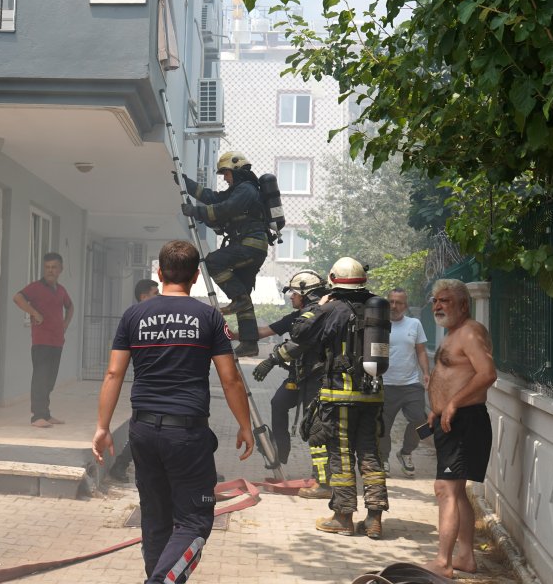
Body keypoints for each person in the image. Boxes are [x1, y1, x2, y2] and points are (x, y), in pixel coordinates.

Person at [93, 240, 254, 584]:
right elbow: (230, 379)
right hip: (186, 436)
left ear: (159, 272)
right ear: (196, 276)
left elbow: (113, 374)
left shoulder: (133, 315)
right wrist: (245, 425)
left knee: (156, 519)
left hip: (143, 432)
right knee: (195, 521)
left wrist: (103, 426)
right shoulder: (208, 316)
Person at [251, 257, 389, 538]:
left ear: (334, 280)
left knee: (340, 456)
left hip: (339, 395)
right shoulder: (376, 306)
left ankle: (343, 517)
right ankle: (375, 518)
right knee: (370, 455)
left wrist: (322, 306)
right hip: (372, 394)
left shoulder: (333, 308)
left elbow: (301, 332)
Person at [423, 279, 496, 578]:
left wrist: (452, 404)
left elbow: (487, 373)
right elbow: (453, 375)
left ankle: (443, 563)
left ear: (464, 304)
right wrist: (437, 409)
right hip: (452, 421)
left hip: (466, 421)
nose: (438, 306)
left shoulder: (470, 332)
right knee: (456, 491)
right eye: (435, 301)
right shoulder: (452, 334)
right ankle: (465, 558)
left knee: (446, 490)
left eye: (446, 300)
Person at [245, 270, 332, 498]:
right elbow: (266, 331)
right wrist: (234, 334)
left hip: (318, 379)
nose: (290, 297)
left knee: (315, 427)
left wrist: (271, 360)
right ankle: (280, 453)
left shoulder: (319, 316)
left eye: (293, 292)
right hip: (298, 377)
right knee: (278, 403)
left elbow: (299, 345)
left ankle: (321, 478)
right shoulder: (299, 316)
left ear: (305, 293)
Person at [180, 151, 270, 357]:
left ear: (237, 171)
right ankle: (249, 343)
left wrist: (197, 212)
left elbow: (225, 209)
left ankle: (238, 298)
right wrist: (186, 184)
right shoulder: (237, 190)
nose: (225, 178)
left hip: (250, 245)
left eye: (226, 174)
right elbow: (213, 197)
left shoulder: (246, 189)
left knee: (213, 262)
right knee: (244, 299)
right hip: (250, 246)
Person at [106, 279, 161, 482]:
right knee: (144, 434)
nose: (160, 296)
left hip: (159, 384)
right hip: (149, 386)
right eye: (156, 293)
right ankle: (121, 464)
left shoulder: (152, 317)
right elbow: (114, 370)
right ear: (143, 297)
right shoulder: (136, 318)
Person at [13, 252, 74, 428]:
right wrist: (34, 313)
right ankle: (37, 416)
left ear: (60, 269)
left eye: (54, 267)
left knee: (50, 380)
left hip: (57, 341)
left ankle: (46, 414)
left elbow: (70, 307)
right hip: (41, 341)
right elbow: (17, 298)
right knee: (40, 378)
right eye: (47, 267)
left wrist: (65, 324)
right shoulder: (35, 287)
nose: (50, 270)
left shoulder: (61, 290)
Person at [379, 288, 432, 477]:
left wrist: (426, 372)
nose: (394, 306)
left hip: (410, 384)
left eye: (399, 302)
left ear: (405, 305)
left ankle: (406, 453)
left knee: (422, 422)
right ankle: (383, 459)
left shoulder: (414, 324)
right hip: (385, 384)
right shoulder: (379, 325)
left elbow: (421, 351)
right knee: (382, 426)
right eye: (391, 302)